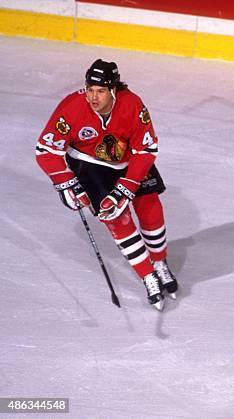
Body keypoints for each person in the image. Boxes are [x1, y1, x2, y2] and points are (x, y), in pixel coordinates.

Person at [35, 59, 178, 311]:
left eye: (100, 91)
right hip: (89, 163)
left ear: (113, 90)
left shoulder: (132, 104)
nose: (93, 96)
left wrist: (128, 185)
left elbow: (146, 149)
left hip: (127, 161)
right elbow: (46, 149)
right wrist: (65, 182)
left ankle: (159, 262)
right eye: (90, 89)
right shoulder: (71, 108)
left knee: (149, 204)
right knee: (115, 215)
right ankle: (147, 275)